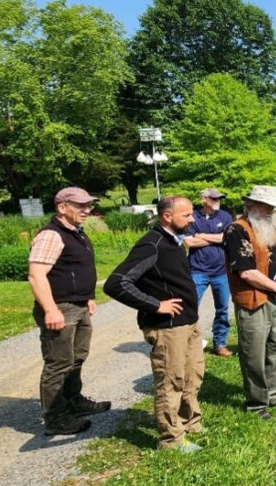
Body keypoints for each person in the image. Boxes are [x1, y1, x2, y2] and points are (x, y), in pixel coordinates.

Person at [103, 196, 204, 452]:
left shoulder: (174, 241)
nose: (192, 219)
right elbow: (117, 283)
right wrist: (156, 305)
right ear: (167, 216)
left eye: (192, 214)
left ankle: (190, 422)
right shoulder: (152, 244)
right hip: (168, 327)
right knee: (171, 379)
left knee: (192, 374)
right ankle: (172, 439)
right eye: (187, 215)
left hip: (188, 323)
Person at [28, 187, 111, 436]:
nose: (87, 210)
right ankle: (55, 418)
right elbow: (36, 276)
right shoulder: (51, 235)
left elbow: (73, 269)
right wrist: (51, 310)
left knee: (77, 357)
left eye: (89, 205)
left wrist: (88, 297)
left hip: (78, 305)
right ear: (62, 207)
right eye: (80, 206)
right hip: (60, 307)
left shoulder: (76, 233)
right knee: (58, 363)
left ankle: (73, 401)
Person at [224, 185, 276, 419]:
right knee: (253, 352)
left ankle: (275, 393)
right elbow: (246, 272)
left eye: (272, 207)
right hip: (252, 300)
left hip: (274, 297)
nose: (271, 211)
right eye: (266, 207)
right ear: (251, 206)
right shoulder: (236, 230)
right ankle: (256, 402)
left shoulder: (268, 227)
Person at [183, 188, 234, 357]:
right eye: (213, 198)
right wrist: (216, 237)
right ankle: (191, 342)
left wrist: (202, 235)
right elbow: (189, 242)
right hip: (197, 270)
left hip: (221, 271)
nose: (217, 201)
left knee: (222, 309)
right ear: (204, 199)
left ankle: (220, 343)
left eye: (219, 198)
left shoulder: (225, 216)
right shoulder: (193, 216)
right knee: (191, 307)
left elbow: (226, 238)